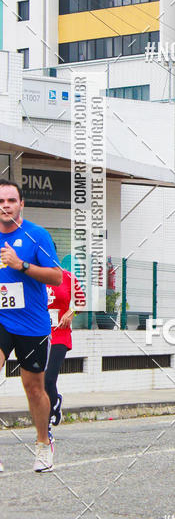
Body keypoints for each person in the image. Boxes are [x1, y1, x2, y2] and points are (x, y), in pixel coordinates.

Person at [0, 180, 62, 473]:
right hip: (1, 320)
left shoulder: (37, 235)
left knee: (34, 388)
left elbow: (56, 277)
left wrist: (21, 265)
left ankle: (43, 443)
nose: (6, 206)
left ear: (21, 204)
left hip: (31, 324)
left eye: (11, 200)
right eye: (1, 201)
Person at [45, 266, 82, 432]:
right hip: (39, 334)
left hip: (60, 334)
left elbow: (81, 302)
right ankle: (54, 402)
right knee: (38, 380)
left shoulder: (67, 277)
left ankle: (49, 416)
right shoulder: (34, 276)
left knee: (49, 378)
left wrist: (71, 312)